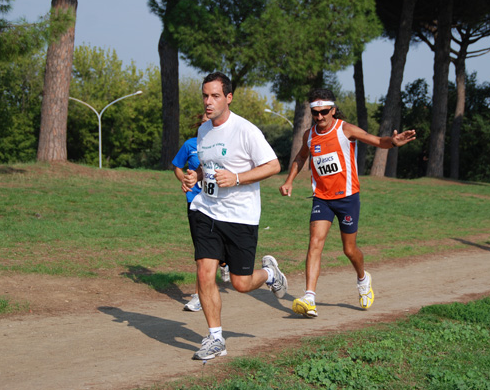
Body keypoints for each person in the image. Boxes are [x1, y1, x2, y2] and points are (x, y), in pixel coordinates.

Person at [279, 88, 416, 318]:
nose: (320, 116)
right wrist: (289, 181)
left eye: (324, 111)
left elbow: (377, 141)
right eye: (315, 112)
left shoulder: (345, 129)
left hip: (347, 198)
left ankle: (363, 278)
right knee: (315, 242)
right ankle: (309, 297)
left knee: (349, 249)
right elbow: (302, 156)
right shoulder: (309, 135)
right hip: (322, 197)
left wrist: (392, 142)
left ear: (332, 110)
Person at [182, 72, 287, 360]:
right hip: (207, 210)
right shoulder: (203, 132)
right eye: (205, 95)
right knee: (205, 271)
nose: (208, 101)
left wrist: (238, 177)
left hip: (240, 216)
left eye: (215, 96)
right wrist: (197, 176)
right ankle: (215, 338)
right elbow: (211, 166)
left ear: (228, 98)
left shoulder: (246, 130)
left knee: (240, 283)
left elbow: (274, 165)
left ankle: (269, 274)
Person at [172, 113, 230, 313]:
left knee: (220, 241)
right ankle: (198, 296)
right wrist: (184, 181)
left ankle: (224, 260)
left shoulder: (225, 144)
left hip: (220, 201)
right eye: (206, 121)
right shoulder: (190, 144)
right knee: (201, 249)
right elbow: (177, 167)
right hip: (196, 201)